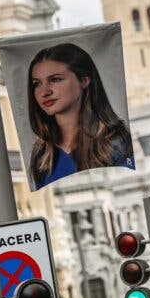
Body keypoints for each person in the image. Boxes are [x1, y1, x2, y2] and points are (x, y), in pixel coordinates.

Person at [27, 43, 134, 189]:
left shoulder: (115, 141)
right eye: (37, 84)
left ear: (84, 80)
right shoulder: (42, 154)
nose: (44, 92)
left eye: (55, 79)